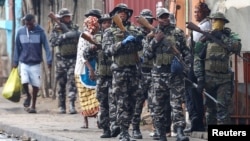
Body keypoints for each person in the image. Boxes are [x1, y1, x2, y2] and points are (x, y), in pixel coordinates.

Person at [143, 8, 190, 141]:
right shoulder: (152, 34)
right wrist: (155, 41)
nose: (165, 19)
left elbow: (186, 52)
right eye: (162, 17)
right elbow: (146, 56)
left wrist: (185, 66)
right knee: (158, 105)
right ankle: (160, 132)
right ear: (157, 19)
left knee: (176, 104)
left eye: (166, 17)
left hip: (175, 75)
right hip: (158, 75)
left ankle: (179, 131)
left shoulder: (178, 33)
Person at [102, 3, 143, 141]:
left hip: (133, 70)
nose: (123, 14)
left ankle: (128, 127)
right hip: (119, 71)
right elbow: (107, 51)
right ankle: (123, 131)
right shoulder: (109, 32)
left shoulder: (133, 29)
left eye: (125, 12)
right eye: (120, 12)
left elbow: (140, 45)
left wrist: (136, 38)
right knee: (121, 101)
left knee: (132, 101)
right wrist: (122, 43)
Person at [193, 11, 241, 125]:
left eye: (218, 21)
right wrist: (199, 78)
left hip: (224, 80)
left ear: (224, 23)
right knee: (210, 110)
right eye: (213, 20)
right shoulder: (206, 37)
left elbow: (236, 47)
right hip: (209, 79)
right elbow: (197, 57)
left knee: (223, 108)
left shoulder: (229, 36)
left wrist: (221, 36)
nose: (215, 23)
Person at [13, 14, 52, 113]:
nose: (28, 26)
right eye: (27, 24)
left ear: (34, 22)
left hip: (35, 63)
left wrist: (49, 60)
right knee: (24, 81)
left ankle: (33, 105)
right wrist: (15, 61)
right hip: (24, 62)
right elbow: (17, 47)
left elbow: (47, 47)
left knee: (35, 85)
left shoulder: (40, 32)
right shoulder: (20, 32)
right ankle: (28, 95)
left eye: (30, 24)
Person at [83, 14, 113, 138]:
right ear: (100, 25)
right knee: (103, 103)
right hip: (101, 76)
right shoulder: (96, 38)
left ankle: (117, 126)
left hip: (114, 75)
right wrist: (92, 49)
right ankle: (106, 129)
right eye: (105, 23)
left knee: (116, 102)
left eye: (109, 23)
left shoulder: (115, 37)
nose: (107, 25)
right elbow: (85, 55)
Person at [184, 2, 211, 133]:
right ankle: (196, 120)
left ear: (205, 12)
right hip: (194, 64)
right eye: (194, 12)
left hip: (197, 65)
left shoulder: (205, 26)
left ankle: (197, 121)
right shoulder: (201, 26)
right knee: (191, 94)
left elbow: (197, 47)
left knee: (194, 95)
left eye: (198, 12)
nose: (196, 14)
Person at [49, 8, 80, 114]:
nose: (68, 18)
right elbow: (53, 42)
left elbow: (79, 35)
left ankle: (71, 104)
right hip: (61, 60)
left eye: (69, 16)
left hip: (73, 59)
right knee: (61, 83)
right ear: (61, 18)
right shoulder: (56, 29)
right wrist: (63, 37)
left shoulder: (74, 27)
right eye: (66, 17)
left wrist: (71, 34)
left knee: (72, 82)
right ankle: (62, 105)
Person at [134, 9, 156, 139]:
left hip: (153, 72)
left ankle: (156, 128)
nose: (148, 22)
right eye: (145, 20)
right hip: (140, 72)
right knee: (138, 102)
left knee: (154, 103)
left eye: (150, 20)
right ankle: (136, 128)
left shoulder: (155, 32)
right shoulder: (137, 34)